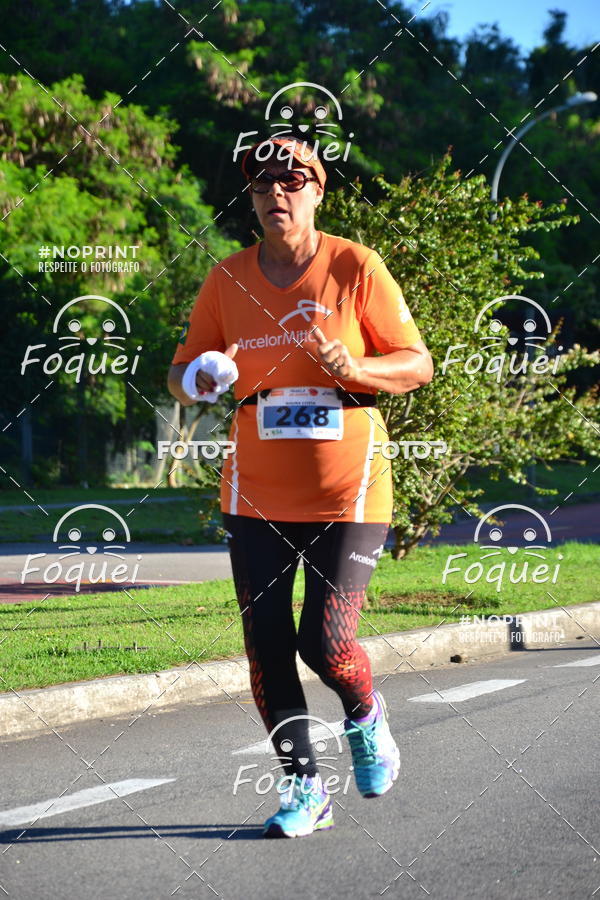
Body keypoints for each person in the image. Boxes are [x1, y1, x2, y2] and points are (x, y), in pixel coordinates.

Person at [168, 136, 433, 838]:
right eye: (261, 188)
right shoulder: (226, 279)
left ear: (317, 191)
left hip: (350, 487)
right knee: (267, 644)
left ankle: (366, 715)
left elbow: (417, 364)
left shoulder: (356, 267)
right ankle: (304, 787)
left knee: (326, 641)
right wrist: (198, 379)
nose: (275, 196)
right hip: (254, 490)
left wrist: (355, 367)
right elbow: (181, 371)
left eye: (291, 183)